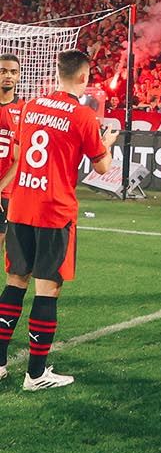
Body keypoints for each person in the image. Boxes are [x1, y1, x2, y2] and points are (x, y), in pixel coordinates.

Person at [0, 50, 116, 389]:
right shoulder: (82, 116)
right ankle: (35, 374)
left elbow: (21, 155)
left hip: (21, 205)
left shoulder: (31, 107)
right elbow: (103, 167)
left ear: (56, 73)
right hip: (53, 210)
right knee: (47, 289)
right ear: (84, 77)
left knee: (15, 282)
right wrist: (106, 142)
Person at [0, 53, 23, 261]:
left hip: (6, 192)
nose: (8, 76)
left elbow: (20, 159)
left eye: (13, 72)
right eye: (3, 71)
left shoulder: (24, 110)